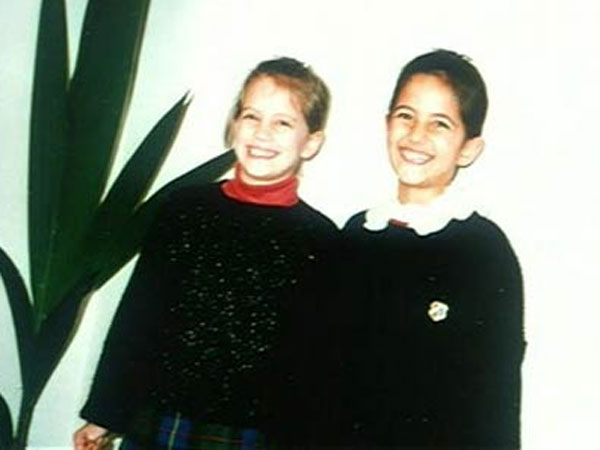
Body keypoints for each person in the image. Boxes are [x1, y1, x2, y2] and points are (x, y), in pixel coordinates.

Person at [73, 57, 338, 449]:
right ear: (233, 124)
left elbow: (312, 363)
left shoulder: (320, 239)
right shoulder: (183, 209)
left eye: (283, 122)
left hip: (248, 434)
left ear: (311, 142)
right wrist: (103, 414)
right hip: (157, 419)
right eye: (251, 116)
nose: (262, 132)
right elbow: (137, 317)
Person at [341, 49, 525, 448]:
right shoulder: (356, 234)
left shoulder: (484, 253)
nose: (416, 135)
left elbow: (497, 397)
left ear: (468, 148)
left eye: (440, 123)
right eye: (406, 115)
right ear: (387, 124)